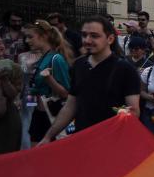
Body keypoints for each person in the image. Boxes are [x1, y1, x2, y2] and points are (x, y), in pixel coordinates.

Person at [38, 16, 140, 144]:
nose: (87, 40)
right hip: (83, 140)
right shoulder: (78, 65)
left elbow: (134, 112)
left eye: (94, 36)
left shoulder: (125, 69)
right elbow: (70, 106)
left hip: (112, 144)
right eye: (84, 35)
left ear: (110, 39)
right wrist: (48, 136)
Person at [24, 19, 74, 143]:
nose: (27, 41)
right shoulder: (42, 58)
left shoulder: (56, 59)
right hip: (39, 115)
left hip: (53, 117)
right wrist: (29, 106)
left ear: (44, 36)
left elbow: (66, 93)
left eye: (30, 37)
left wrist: (48, 78)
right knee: (35, 156)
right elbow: (35, 90)